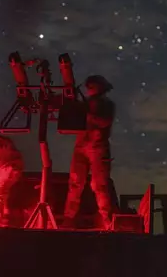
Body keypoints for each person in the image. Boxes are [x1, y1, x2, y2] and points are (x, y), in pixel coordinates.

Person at [62, 75, 116, 230]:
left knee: (100, 185)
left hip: (98, 147)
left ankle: (106, 220)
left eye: (92, 85)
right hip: (81, 147)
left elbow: (105, 122)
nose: (89, 88)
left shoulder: (107, 104)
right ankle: (69, 219)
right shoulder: (85, 104)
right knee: (75, 183)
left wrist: (86, 114)